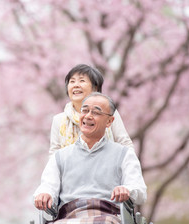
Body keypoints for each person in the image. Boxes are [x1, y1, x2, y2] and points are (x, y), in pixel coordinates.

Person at [34, 93, 147, 223]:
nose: (88, 116)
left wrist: (127, 190)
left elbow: (139, 190)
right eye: (85, 110)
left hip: (109, 215)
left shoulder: (124, 154)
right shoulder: (59, 156)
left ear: (109, 121)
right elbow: (48, 185)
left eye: (96, 112)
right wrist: (44, 194)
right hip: (68, 216)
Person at [49, 64, 133, 156]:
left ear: (95, 88)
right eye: (72, 81)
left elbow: (125, 143)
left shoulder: (108, 112)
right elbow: (54, 154)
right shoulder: (59, 120)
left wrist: (129, 166)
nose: (76, 85)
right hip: (71, 170)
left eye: (82, 81)